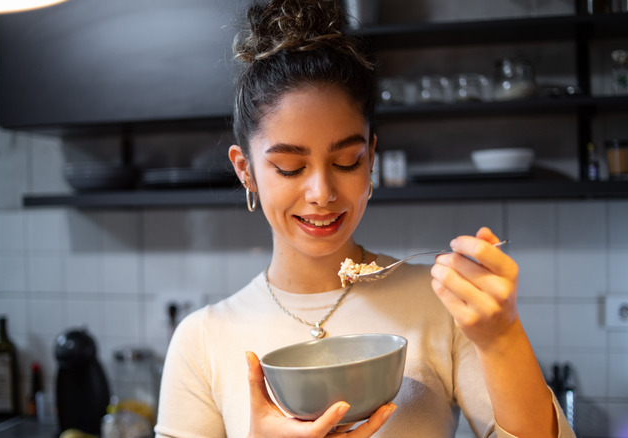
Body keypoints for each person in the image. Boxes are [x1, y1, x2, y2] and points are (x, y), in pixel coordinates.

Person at [155, 0, 576, 437]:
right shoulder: (201, 340)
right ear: (247, 171)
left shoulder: (441, 307)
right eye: (290, 167)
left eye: (347, 161)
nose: (322, 193)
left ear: (371, 158)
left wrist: (501, 336)